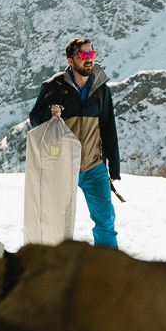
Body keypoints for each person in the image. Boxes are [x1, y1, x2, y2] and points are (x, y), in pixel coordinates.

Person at [29, 37, 121, 248]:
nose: (89, 59)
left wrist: (114, 168)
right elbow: (34, 119)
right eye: (83, 55)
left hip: (93, 166)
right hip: (61, 167)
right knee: (57, 223)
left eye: (92, 54)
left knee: (106, 221)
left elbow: (108, 127)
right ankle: (57, 267)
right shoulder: (54, 86)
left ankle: (108, 269)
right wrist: (48, 113)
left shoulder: (100, 88)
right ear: (71, 61)